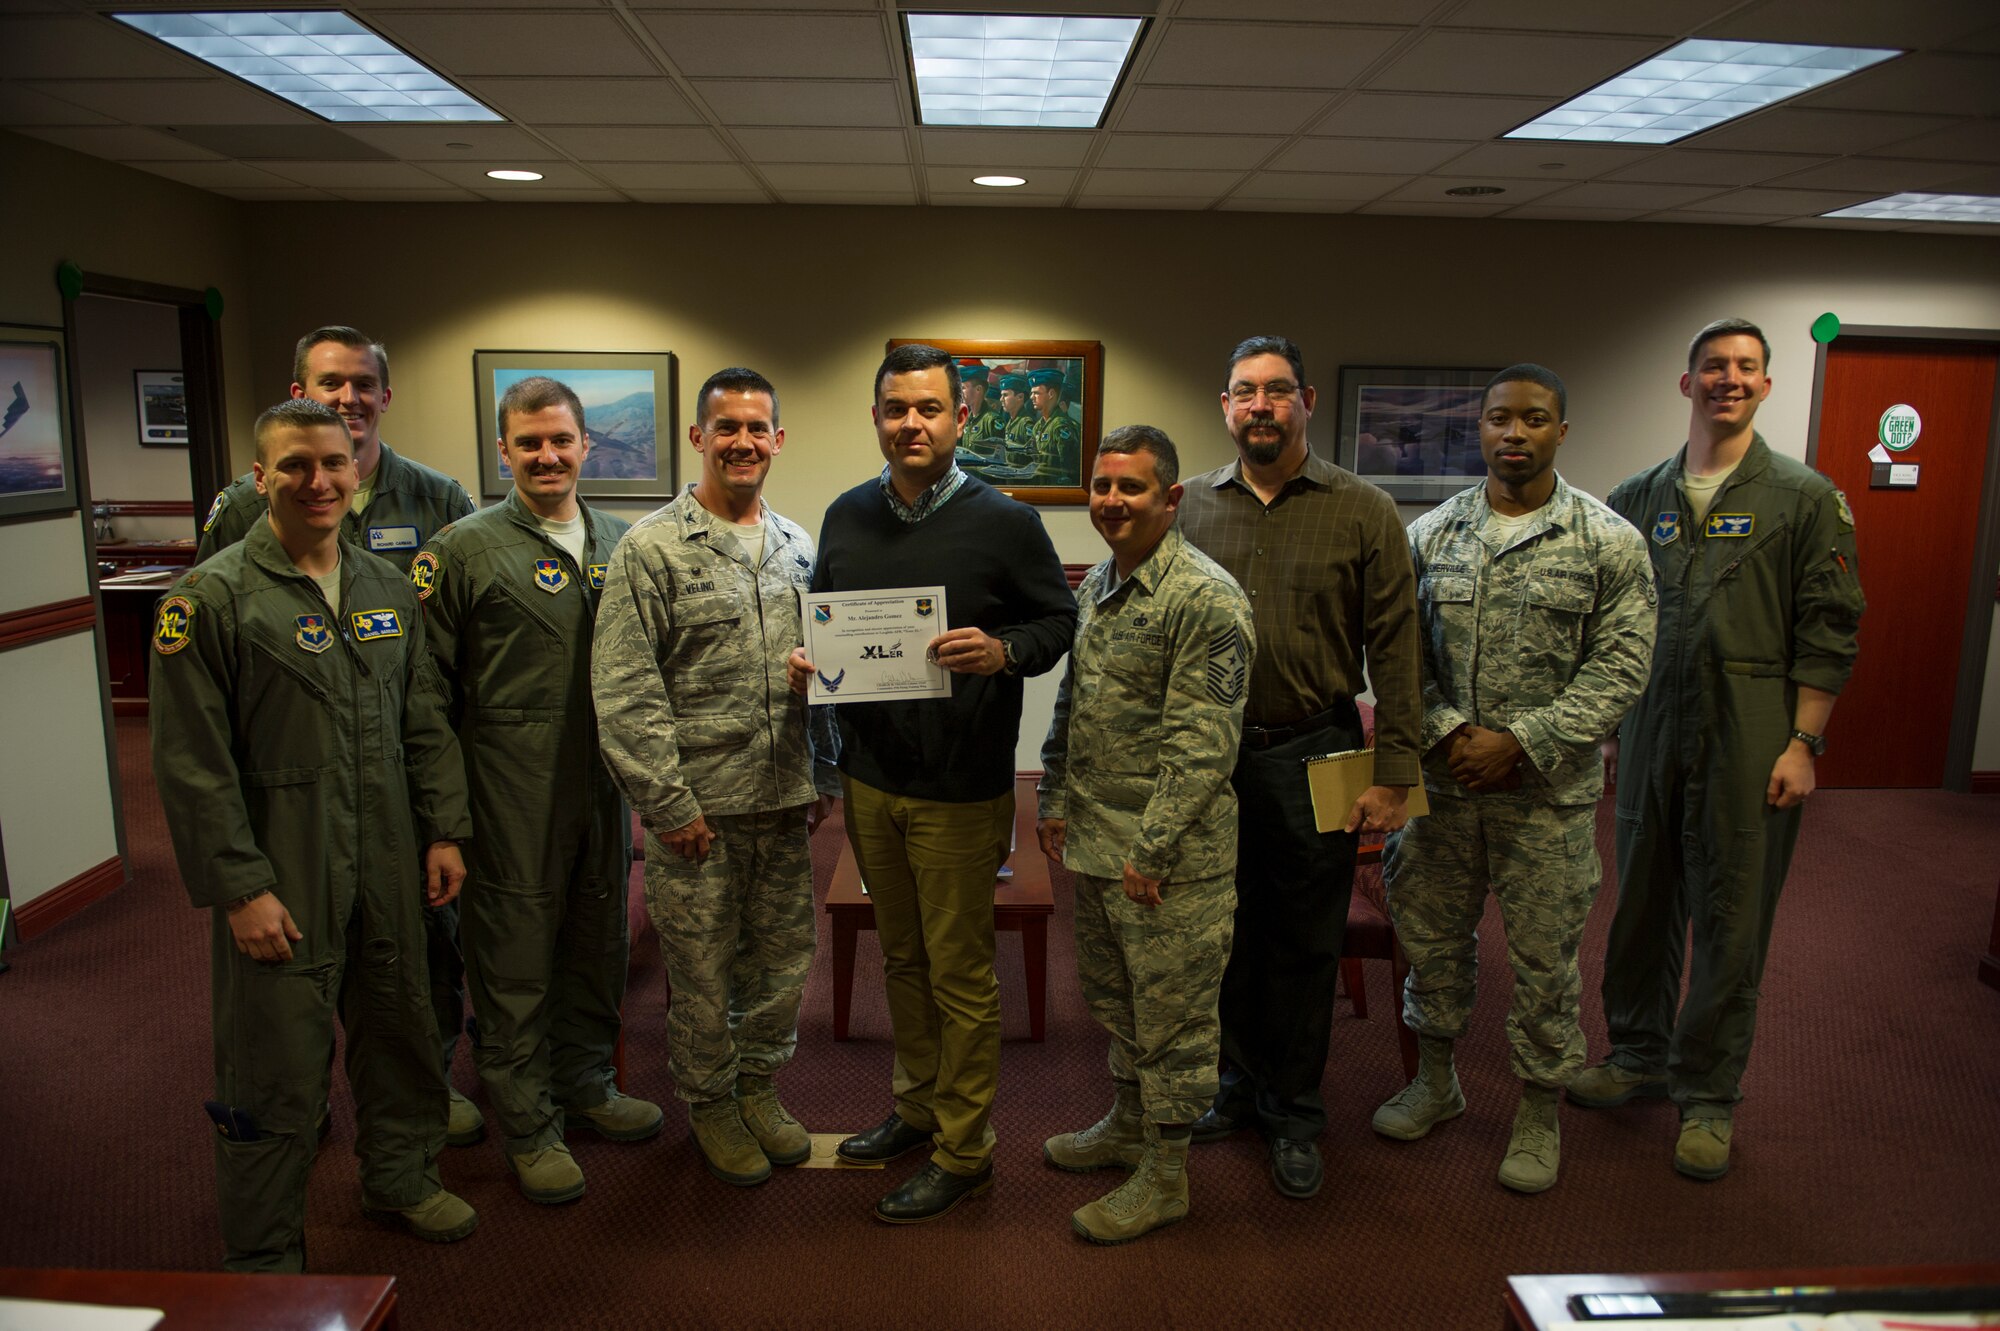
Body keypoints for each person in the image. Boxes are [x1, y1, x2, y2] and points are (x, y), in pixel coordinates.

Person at [151, 398, 476, 1271]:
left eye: (333, 463)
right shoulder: (210, 599)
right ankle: (263, 1250)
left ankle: (399, 1177)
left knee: (404, 1028)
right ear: (260, 478)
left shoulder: (384, 586)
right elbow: (192, 763)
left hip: (390, 859)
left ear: (357, 469)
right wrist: (239, 887)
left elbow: (423, 718)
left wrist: (444, 829)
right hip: (282, 866)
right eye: (295, 465)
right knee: (275, 1063)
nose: (318, 480)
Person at [787, 343, 1076, 1223]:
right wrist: (814, 661)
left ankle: (965, 1149)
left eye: (928, 408)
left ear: (959, 419)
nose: (911, 423)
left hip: (962, 785)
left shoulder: (1007, 522)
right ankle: (916, 1109)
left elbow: (1057, 618)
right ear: (876, 418)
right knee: (900, 959)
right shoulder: (844, 516)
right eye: (895, 408)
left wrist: (1003, 651)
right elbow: (828, 622)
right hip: (874, 780)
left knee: (959, 975)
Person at [1572, 318, 1864, 1180]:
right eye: (1713, 367)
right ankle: (1637, 1055)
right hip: (1654, 724)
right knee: (1641, 904)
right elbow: (1607, 622)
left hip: (1752, 727)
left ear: (1767, 386)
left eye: (1744, 368)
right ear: (1686, 382)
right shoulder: (1639, 496)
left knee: (1731, 916)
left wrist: (1804, 741)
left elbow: (1831, 626)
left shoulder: (1805, 498)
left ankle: (1708, 1095)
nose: (1727, 380)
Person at [196, 324, 483, 1148]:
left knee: (413, 964)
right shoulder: (236, 530)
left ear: (384, 397)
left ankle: (417, 1101)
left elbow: (439, 676)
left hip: (393, 779)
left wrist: (444, 816)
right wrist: (236, 869)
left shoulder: (434, 501)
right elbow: (210, 704)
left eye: (363, 383)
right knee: (288, 975)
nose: (348, 398)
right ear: (298, 391)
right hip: (291, 794)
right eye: (330, 382)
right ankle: (299, 1101)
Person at [1374, 364, 1655, 1194]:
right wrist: (1449, 731)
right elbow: (1396, 655)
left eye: (1534, 419)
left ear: (1561, 431)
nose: (1515, 434)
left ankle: (1538, 1109)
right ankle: (1436, 1078)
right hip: (1445, 789)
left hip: (1547, 799)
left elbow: (1623, 664)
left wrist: (1523, 741)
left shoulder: (1606, 540)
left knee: (1543, 962)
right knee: (1431, 941)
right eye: (1500, 418)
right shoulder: (1432, 534)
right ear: (1480, 429)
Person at [1177, 334, 1422, 1200]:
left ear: (1305, 401)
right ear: (1226, 406)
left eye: (1277, 391)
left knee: (1305, 940)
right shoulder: (1191, 508)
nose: (1261, 406)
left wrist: (1396, 774)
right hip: (1212, 756)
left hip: (1321, 749)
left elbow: (1396, 650)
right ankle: (1236, 1083)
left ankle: (1294, 1109)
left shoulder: (1363, 509)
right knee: (1222, 931)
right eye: (1245, 391)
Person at [413, 375, 660, 1207]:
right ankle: (528, 1121)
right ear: (503, 452)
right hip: (507, 792)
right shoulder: (463, 550)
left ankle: (587, 1082)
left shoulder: (624, 543)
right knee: (514, 961)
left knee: (597, 941)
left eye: (562, 440)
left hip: (602, 786)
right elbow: (426, 697)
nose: (548, 455)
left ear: (588, 445)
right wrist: (444, 821)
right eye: (530, 443)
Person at [593, 368, 839, 1188]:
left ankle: (759, 1086)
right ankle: (711, 1102)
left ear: (778, 438)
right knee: (701, 971)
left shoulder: (799, 546)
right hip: (697, 808)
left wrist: (821, 767)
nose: (742, 441)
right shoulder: (651, 547)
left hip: (781, 797)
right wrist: (668, 804)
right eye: (724, 426)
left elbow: (828, 672)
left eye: (756, 427)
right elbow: (627, 690)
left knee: (780, 960)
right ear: (699, 438)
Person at [1037, 425, 1254, 1244]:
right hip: (1099, 841)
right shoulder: (1100, 583)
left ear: (1172, 499)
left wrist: (1152, 849)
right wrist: (1053, 795)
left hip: (1166, 862)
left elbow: (1203, 746)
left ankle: (1167, 1176)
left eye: (1131, 488)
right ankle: (1127, 1125)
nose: (1111, 501)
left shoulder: (1205, 597)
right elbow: (1073, 703)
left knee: (1174, 1017)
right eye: (1102, 486)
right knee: (1118, 999)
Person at [959, 363, 1007, 462]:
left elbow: (999, 458)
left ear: (978, 390)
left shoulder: (992, 420)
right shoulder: (968, 419)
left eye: (963, 388)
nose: (960, 392)